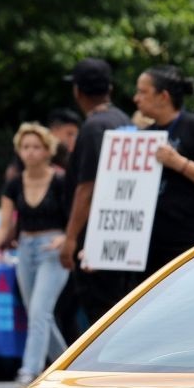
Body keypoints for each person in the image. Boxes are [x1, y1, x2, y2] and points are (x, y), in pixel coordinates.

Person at [0, 122, 71, 387]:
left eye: (36, 147)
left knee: (39, 311)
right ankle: (68, 365)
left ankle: (29, 370)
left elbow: (77, 216)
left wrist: (67, 238)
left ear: (47, 150)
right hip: (25, 248)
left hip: (51, 249)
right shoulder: (14, 184)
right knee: (39, 313)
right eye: (25, 147)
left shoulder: (60, 180)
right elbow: (5, 223)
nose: (30, 152)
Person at [57, 57, 135, 339]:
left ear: (77, 91)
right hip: (121, 235)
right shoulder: (124, 121)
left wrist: (70, 238)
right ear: (110, 88)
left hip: (94, 240)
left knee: (93, 316)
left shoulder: (92, 127)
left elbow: (86, 188)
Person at [133, 64, 194, 277]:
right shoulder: (144, 135)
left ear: (163, 96)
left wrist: (180, 164)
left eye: (143, 92)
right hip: (152, 250)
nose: (136, 98)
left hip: (191, 244)